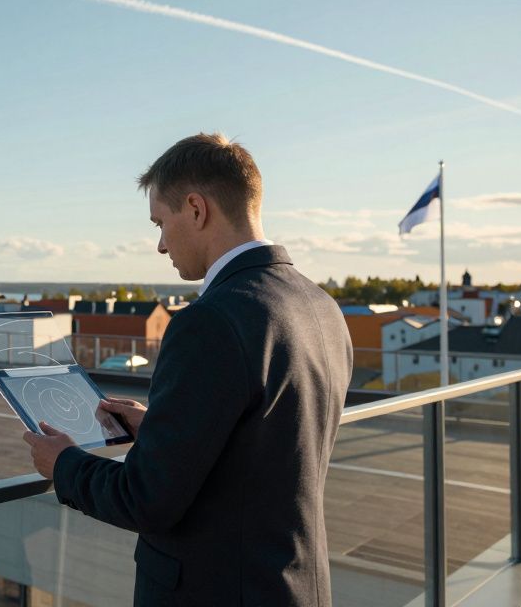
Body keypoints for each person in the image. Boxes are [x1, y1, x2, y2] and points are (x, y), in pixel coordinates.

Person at [24, 133, 353, 606]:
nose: (160, 245)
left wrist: (64, 464)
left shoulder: (210, 322)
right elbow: (263, 446)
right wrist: (160, 429)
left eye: (160, 222)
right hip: (295, 586)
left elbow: (146, 499)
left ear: (196, 210)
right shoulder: (319, 305)